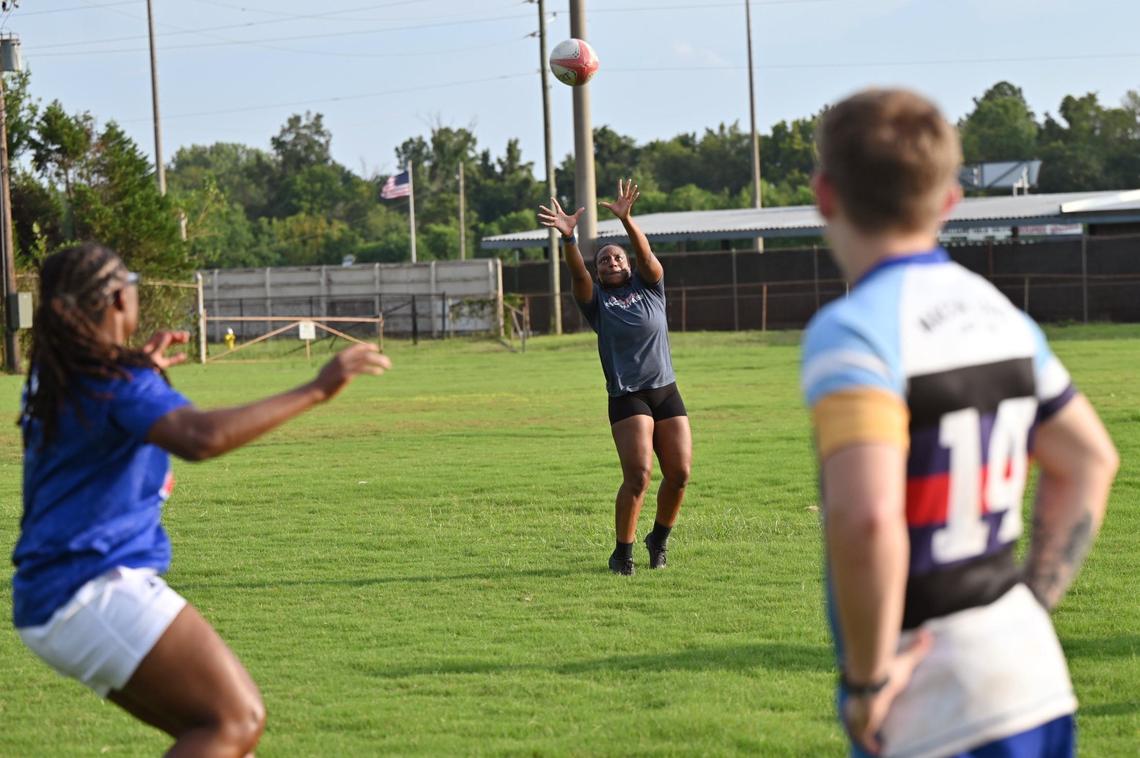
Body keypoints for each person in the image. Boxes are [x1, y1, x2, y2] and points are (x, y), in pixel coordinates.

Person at [801, 88, 1118, 757]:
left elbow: (866, 518)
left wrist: (867, 680)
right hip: (1030, 675)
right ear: (949, 201)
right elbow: (1089, 459)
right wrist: (1033, 598)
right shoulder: (1002, 315)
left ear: (825, 194)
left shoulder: (855, 330)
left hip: (935, 702)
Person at [12, 243, 392, 756]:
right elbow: (199, 437)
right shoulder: (117, 385)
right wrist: (317, 389)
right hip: (90, 587)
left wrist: (138, 362)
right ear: (118, 301)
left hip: (56, 592)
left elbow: (100, 420)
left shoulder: (59, 377)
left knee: (219, 733)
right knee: (235, 722)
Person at [538, 179, 692, 576]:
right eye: (604, 260)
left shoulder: (651, 286)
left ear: (628, 264)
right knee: (639, 476)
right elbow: (577, 276)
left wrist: (626, 221)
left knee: (679, 475)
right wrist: (570, 240)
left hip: (665, 390)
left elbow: (646, 254)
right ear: (598, 270)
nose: (611, 262)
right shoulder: (597, 303)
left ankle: (658, 538)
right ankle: (621, 553)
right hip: (628, 395)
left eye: (617, 258)